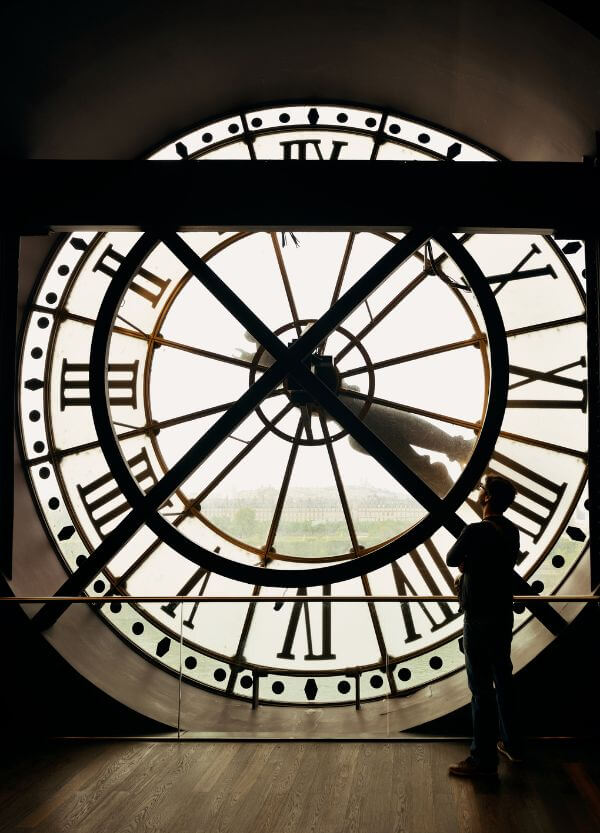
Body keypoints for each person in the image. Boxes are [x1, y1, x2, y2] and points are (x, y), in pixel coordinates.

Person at [446, 474, 523, 777]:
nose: (479, 492)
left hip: (477, 616)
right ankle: (512, 743)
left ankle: (482, 757)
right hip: (502, 614)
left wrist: (468, 563)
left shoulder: (475, 530)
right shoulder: (511, 531)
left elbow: (453, 559)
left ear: (488, 498)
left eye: (481, 489)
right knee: (502, 678)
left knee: (480, 688)